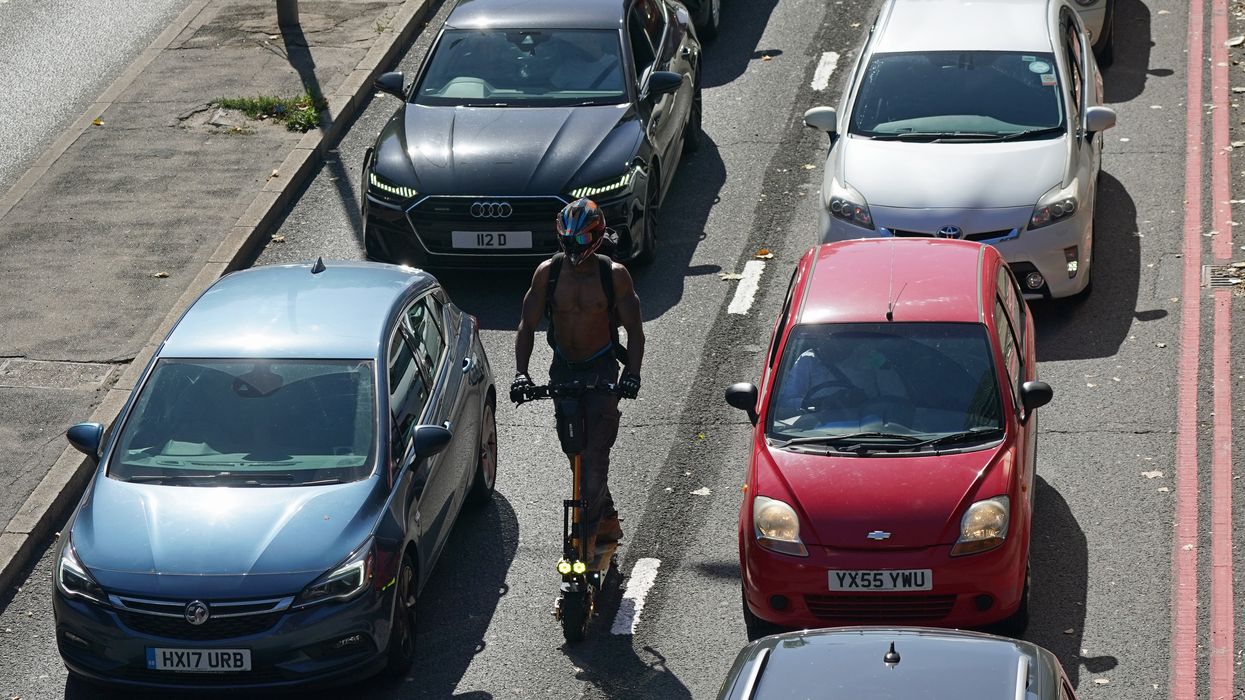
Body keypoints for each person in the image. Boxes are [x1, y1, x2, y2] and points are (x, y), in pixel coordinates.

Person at [511, 198, 645, 555]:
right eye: (566, 242)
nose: (573, 250)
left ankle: (582, 546)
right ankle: (608, 517)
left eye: (581, 242)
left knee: (593, 459)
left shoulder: (614, 275)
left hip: (601, 372)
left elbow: (635, 330)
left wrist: (632, 375)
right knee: (576, 454)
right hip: (564, 370)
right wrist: (521, 374)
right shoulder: (547, 273)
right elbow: (527, 325)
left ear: (598, 237)